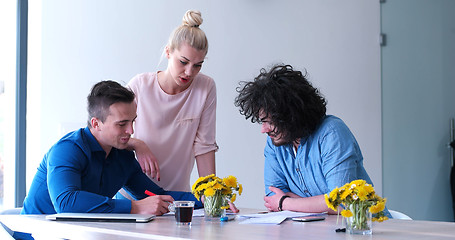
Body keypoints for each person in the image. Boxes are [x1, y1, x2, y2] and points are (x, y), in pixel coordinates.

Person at [21, 80, 202, 215]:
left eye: (132, 121)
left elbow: (155, 195)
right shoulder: (67, 150)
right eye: (122, 124)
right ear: (96, 123)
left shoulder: (123, 157)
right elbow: (66, 203)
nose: (131, 130)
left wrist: (209, 200)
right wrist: (135, 207)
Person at [234, 64, 387, 214]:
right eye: (263, 121)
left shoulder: (332, 133)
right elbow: (272, 196)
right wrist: (318, 202)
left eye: (270, 122)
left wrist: (286, 202)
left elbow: (341, 202)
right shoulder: (274, 143)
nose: (263, 130)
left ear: (292, 115)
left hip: (367, 229)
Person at [126, 10, 217, 192]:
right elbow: (111, 134)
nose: (190, 72)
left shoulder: (205, 87)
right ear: (168, 52)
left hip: (177, 197)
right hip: (133, 194)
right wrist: (137, 144)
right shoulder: (140, 85)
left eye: (197, 65)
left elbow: (204, 147)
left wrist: (213, 194)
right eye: (183, 62)